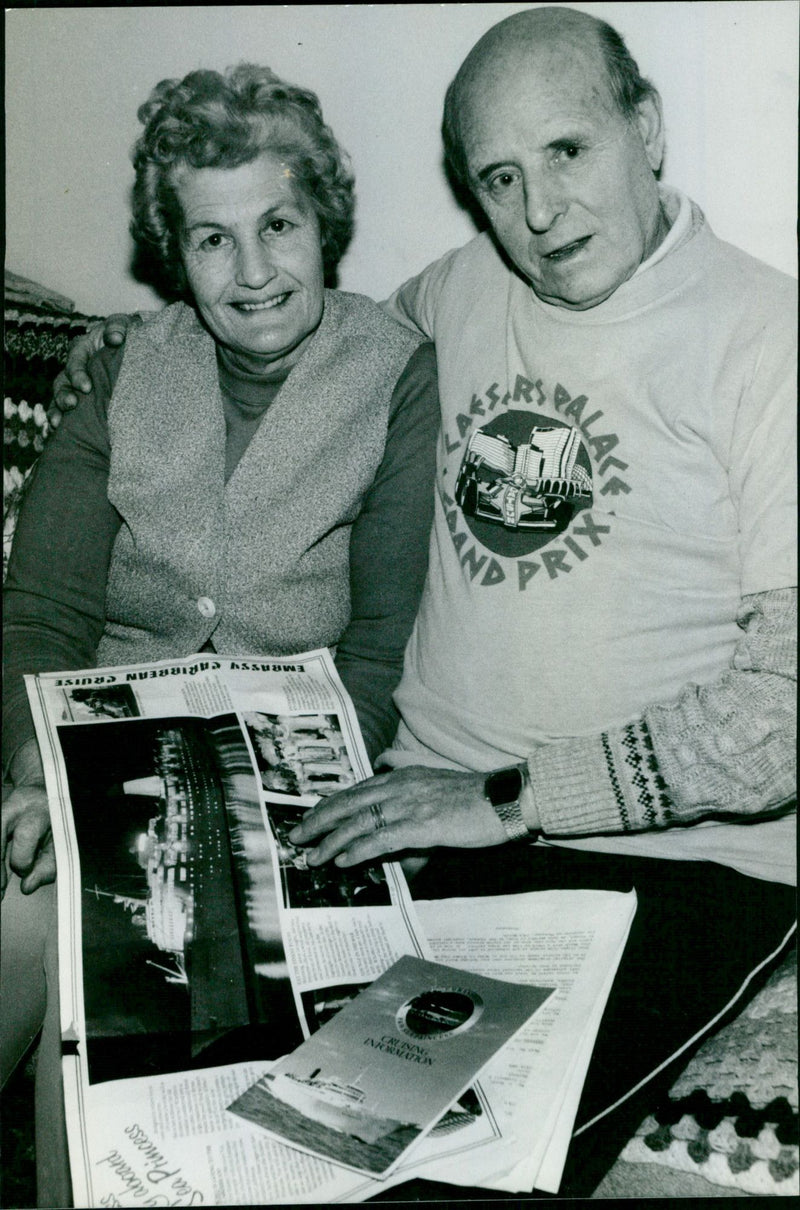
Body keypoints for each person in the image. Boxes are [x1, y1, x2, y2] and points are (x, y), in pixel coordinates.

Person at [47, 6, 797, 1198]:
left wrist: (507, 799)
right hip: (402, 812)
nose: (539, 211)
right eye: (498, 176)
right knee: (219, 1132)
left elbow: (781, 722)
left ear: (644, 130)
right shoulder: (449, 298)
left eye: (567, 151)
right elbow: (293, 343)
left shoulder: (771, 341)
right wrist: (122, 351)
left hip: (666, 861)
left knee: (434, 1172)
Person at [1, 62, 438, 1204]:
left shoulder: (394, 373)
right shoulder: (123, 369)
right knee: (25, 921)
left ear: (322, 222)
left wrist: (275, 818)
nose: (251, 273)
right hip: (89, 760)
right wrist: (36, 775)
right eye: (211, 240)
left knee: (115, 962)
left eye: (277, 226)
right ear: (174, 253)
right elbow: (43, 610)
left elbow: (377, 653)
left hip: (275, 786)